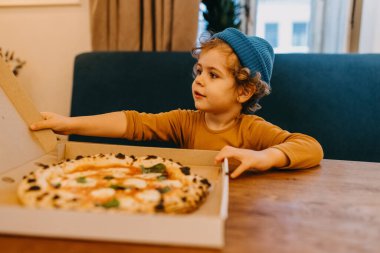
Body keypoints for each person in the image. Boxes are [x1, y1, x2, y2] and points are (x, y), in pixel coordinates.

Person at [30, 28, 323, 178]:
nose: (199, 80)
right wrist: (68, 123)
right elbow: (132, 122)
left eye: (213, 75)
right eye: (199, 71)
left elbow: (310, 147)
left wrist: (265, 157)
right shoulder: (185, 122)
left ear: (244, 92)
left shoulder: (252, 130)